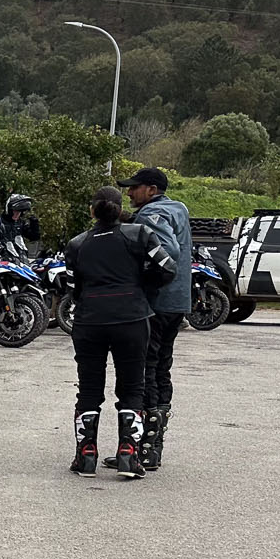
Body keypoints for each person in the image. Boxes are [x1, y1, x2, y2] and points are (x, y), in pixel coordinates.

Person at [64, 187, 175, 479]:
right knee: (132, 387)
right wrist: (141, 286)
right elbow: (168, 268)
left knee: (89, 388)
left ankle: (86, 456)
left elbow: (72, 287)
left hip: (89, 320)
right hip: (132, 317)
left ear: (92, 210)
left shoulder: (77, 244)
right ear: (119, 208)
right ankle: (129, 454)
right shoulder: (139, 234)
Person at [120, 167, 192, 471]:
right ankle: (153, 447)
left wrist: (147, 279)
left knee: (146, 370)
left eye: (134, 187)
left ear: (151, 189)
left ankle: (145, 447)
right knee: (162, 368)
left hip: (157, 302)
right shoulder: (178, 208)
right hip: (177, 301)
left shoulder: (152, 213)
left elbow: (166, 250)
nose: (129, 192)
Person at [0, 191, 41, 256]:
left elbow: (34, 237)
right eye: (15, 211)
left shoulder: (20, 223)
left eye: (19, 212)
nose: (17, 214)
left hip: (19, 257)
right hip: (2, 257)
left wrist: (34, 224)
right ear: (10, 210)